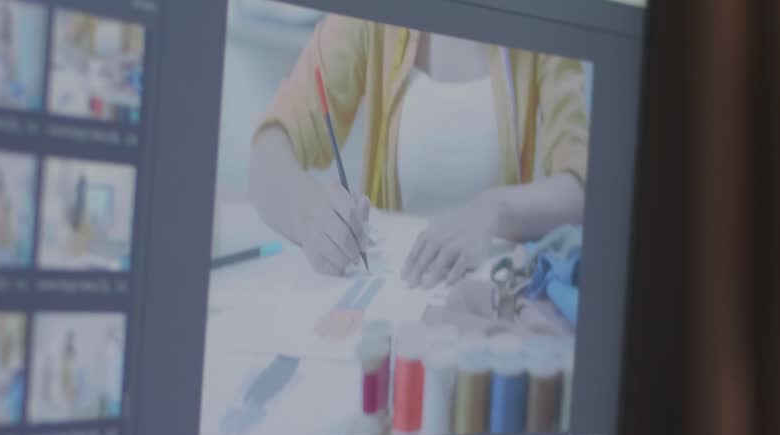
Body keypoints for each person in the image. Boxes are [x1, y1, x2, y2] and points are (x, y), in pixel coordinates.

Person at [248, 16, 589, 288]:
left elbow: (581, 188)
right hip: (392, 289)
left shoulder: (538, 12)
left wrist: (495, 207)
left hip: (490, 298)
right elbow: (268, 152)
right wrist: (309, 214)